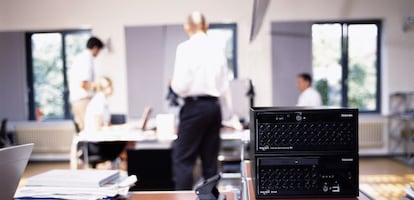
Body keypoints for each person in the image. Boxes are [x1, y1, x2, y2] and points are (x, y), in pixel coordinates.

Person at [170, 11, 230, 190]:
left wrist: (172, 83)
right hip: (214, 108)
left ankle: (183, 198)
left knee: (183, 160)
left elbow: (181, 86)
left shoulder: (185, 48)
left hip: (194, 107)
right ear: (207, 25)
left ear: (186, 27)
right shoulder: (217, 49)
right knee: (210, 162)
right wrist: (228, 117)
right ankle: (210, 197)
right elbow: (225, 86)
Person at [68, 36, 104, 131]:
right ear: (95, 48)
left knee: (82, 129)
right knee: (88, 130)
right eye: (99, 50)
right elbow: (84, 84)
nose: (98, 53)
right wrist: (98, 87)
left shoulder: (79, 58)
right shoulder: (87, 59)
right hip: (83, 101)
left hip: (77, 100)